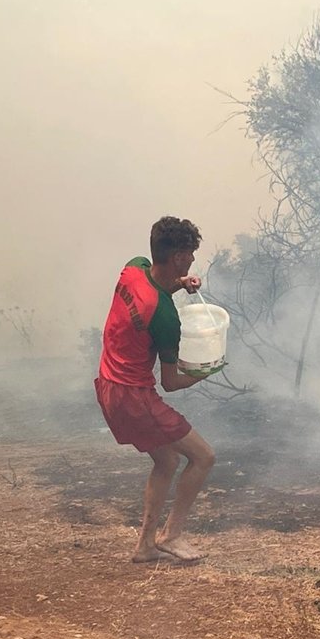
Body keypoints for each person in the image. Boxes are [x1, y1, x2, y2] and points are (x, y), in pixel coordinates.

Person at [94, 216, 219, 564]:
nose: (193, 259)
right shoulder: (166, 318)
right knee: (203, 456)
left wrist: (180, 284)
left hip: (107, 386)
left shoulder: (133, 268)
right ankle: (171, 536)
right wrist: (207, 370)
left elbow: (154, 291)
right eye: (191, 254)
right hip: (133, 397)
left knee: (166, 460)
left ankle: (145, 547)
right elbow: (171, 382)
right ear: (179, 256)